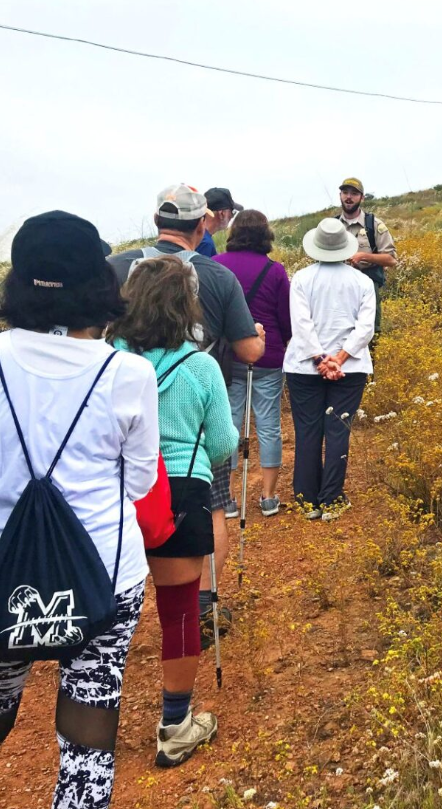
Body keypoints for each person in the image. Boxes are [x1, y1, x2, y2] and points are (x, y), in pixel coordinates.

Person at [0, 212, 160, 808]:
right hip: (104, 575)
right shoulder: (127, 373)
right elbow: (139, 481)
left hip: (4, 572)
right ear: (98, 282)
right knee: (89, 731)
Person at [107, 184, 264, 639]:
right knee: (211, 507)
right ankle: (203, 605)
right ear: (202, 226)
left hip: (120, 424)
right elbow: (249, 351)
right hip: (193, 428)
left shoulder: (114, 267)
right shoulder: (218, 277)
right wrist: (257, 337)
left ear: (157, 221)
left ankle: (116, 604)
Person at [108, 255, 238, 767]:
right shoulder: (201, 366)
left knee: (104, 611)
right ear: (187, 305)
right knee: (180, 611)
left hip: (115, 493)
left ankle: (90, 723)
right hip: (181, 490)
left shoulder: (109, 360)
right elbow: (223, 443)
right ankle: (175, 724)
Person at [284, 218, 375, 521]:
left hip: (304, 367)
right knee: (338, 430)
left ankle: (307, 499)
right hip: (351, 367)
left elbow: (301, 324)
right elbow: (365, 328)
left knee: (308, 430)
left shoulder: (302, 278)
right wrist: (340, 358)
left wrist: (319, 359)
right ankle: (332, 498)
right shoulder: (362, 282)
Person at [214, 210, 292, 517]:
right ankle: (268, 497)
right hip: (268, 356)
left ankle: (228, 497)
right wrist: (284, 343)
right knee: (269, 423)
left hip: (229, 356)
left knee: (230, 422)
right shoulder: (275, 270)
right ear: (265, 235)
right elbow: (285, 319)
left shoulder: (217, 265)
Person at [337, 177, 397, 337]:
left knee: (369, 336)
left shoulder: (374, 225)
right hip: (338, 289)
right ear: (340, 195)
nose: (349, 197)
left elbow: (391, 259)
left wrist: (364, 256)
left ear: (362, 198)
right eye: (345, 192)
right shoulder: (332, 226)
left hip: (368, 288)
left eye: (354, 193)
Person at [197, 187, 244, 258]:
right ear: (222, 214)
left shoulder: (197, 235)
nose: (232, 217)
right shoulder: (205, 244)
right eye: (232, 212)